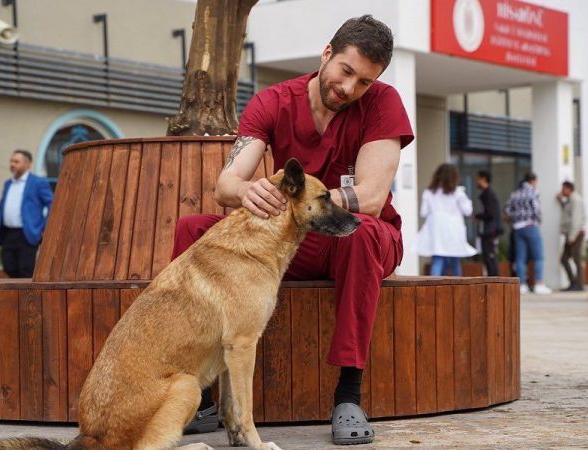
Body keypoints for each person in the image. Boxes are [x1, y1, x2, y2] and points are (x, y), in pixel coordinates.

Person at [173, 15, 414, 445]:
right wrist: (247, 191)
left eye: (364, 81)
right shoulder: (273, 101)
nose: (349, 88)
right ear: (326, 54)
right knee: (193, 229)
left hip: (355, 236)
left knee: (361, 234)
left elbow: (373, 197)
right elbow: (226, 186)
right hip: (293, 237)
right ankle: (204, 398)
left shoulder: (384, 103)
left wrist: (305, 203)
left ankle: (348, 395)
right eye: (345, 71)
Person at [0, 150, 53, 278]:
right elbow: (0, 209)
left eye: (16, 161)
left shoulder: (38, 183)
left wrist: (45, 227)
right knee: (9, 266)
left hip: (27, 233)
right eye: (11, 161)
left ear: (27, 164)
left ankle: (27, 291)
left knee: (26, 269)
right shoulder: (8, 184)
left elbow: (52, 204)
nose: (12, 164)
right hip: (8, 233)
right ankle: (18, 289)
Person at [415, 164, 476, 275]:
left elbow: (423, 212)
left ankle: (435, 285)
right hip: (454, 230)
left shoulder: (429, 192)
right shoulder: (458, 193)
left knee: (437, 259)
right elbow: (468, 211)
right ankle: (457, 285)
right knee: (455, 261)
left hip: (436, 230)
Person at [504, 172, 552, 295]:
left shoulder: (515, 194)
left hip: (517, 228)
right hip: (530, 225)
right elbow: (537, 210)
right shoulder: (533, 192)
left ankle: (522, 285)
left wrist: (514, 222)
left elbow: (507, 211)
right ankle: (539, 284)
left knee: (520, 257)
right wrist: (538, 222)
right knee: (538, 256)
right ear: (533, 181)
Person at [557, 181, 586, 291]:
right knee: (564, 259)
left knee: (576, 259)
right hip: (571, 234)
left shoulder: (575, 200)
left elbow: (576, 219)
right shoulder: (570, 200)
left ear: (569, 189)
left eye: (563, 189)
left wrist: (572, 236)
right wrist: (561, 201)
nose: (562, 191)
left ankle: (579, 284)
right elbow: (567, 212)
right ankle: (573, 283)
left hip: (576, 234)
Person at [475, 170, 502, 276]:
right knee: (488, 257)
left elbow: (491, 213)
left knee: (490, 256)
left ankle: (494, 280)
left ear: (483, 179)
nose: (476, 181)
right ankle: (492, 279)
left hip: (490, 231)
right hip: (488, 230)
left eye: (478, 179)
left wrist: (477, 216)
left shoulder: (488, 194)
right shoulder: (487, 194)